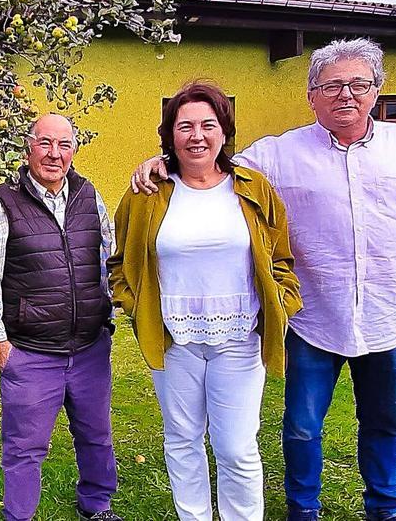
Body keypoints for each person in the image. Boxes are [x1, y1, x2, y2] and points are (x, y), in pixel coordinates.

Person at [130, 38, 396, 521]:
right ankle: (303, 509)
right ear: (312, 94)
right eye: (332, 86)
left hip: (387, 316)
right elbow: (211, 165)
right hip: (312, 320)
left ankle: (386, 508)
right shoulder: (280, 154)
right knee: (302, 427)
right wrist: (161, 163)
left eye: (358, 84)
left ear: (376, 90)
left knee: (388, 421)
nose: (346, 94)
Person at [109, 81, 302, 521]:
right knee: (182, 438)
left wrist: (282, 302)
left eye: (208, 125)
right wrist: (136, 306)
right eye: (185, 126)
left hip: (239, 338)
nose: (197, 135)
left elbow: (281, 255)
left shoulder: (253, 188)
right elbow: (119, 260)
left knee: (236, 446)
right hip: (174, 340)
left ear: (223, 132)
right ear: (170, 135)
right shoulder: (146, 193)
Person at [0, 113, 122, 521]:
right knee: (24, 446)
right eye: (45, 143)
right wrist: (1, 343)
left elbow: (108, 258)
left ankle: (97, 505)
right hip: (32, 351)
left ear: (73, 150)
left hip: (90, 346)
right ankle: (19, 515)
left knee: (95, 434)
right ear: (29, 148)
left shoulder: (89, 196)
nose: (54, 154)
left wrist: (109, 312)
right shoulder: (1, 203)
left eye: (64, 145)